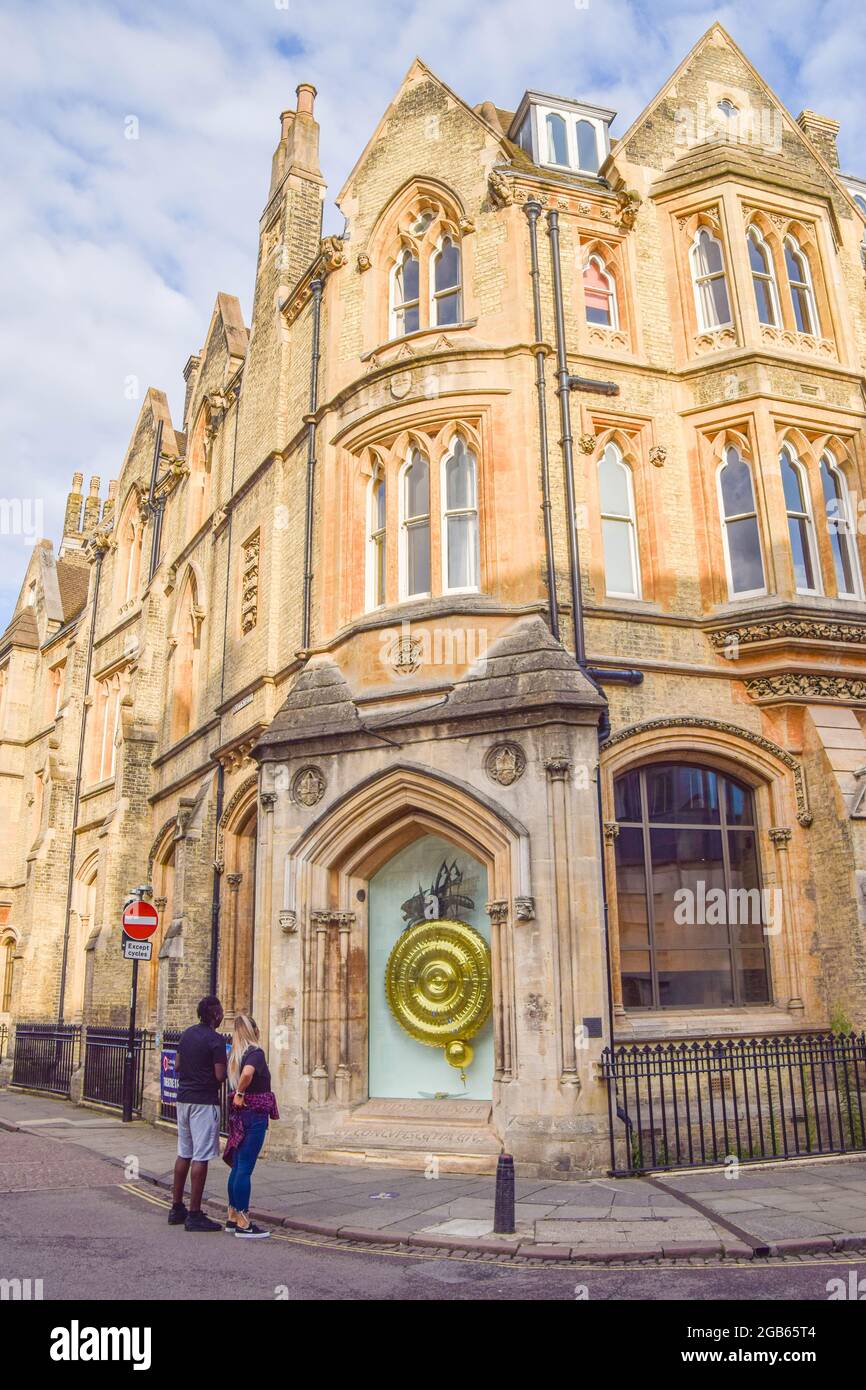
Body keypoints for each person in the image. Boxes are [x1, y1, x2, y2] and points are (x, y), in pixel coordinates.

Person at [168, 995, 226, 1232]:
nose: (222, 1016)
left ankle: (176, 1207)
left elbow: (178, 1065)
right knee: (200, 1157)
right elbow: (220, 1075)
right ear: (215, 1015)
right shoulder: (216, 1040)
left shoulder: (187, 1034)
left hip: (183, 1099)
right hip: (203, 1102)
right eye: (220, 1012)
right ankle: (194, 1213)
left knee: (184, 1153)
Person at [222, 1013, 279, 1239]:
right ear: (254, 1031)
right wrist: (241, 1093)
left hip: (240, 1115)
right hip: (253, 1115)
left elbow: (242, 1074)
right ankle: (244, 1223)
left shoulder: (236, 1055)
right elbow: (248, 1074)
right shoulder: (255, 1053)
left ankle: (232, 1216)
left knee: (237, 1166)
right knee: (245, 1167)